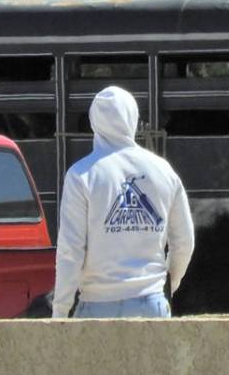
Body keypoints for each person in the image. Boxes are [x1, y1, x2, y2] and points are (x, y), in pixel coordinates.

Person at [53, 85, 195, 318]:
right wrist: (168, 284)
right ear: (134, 118)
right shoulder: (164, 171)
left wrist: (60, 310)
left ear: (93, 122)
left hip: (95, 307)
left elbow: (71, 251)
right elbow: (184, 242)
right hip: (152, 305)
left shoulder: (81, 175)